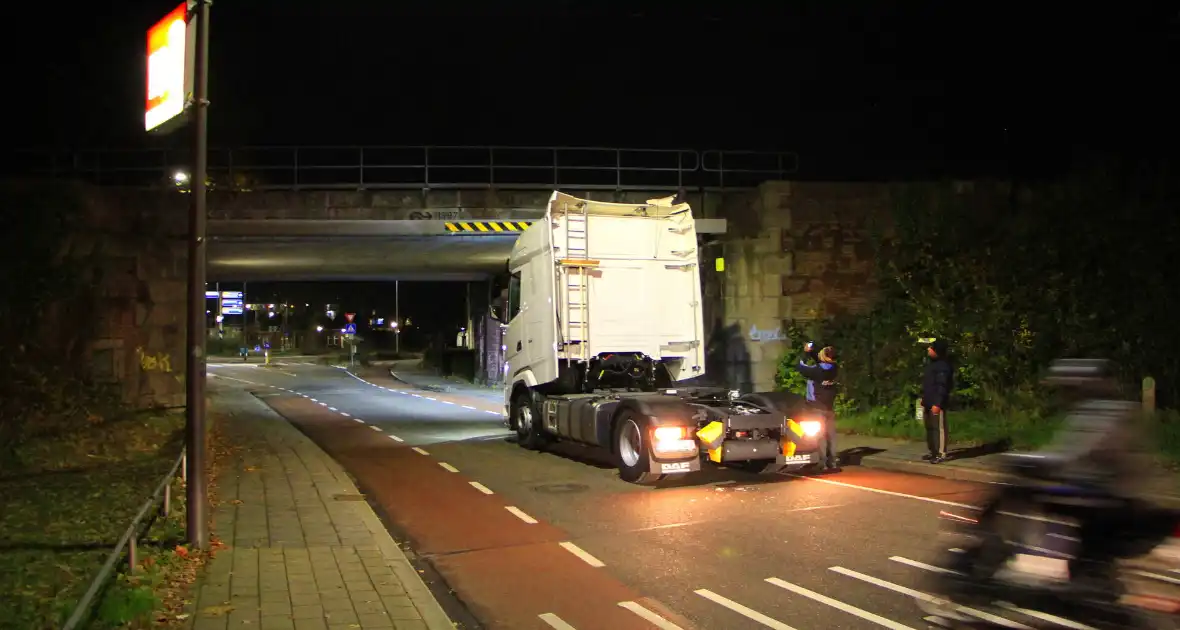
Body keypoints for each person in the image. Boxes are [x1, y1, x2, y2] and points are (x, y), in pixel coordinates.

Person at [795, 342, 840, 471]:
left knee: (820, 436)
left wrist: (805, 353)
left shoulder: (815, 371)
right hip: (829, 407)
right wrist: (812, 353)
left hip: (816, 407)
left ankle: (823, 463)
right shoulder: (834, 368)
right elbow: (821, 364)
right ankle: (833, 462)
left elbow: (800, 366)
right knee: (831, 435)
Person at [920, 338, 953, 464]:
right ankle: (932, 451)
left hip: (936, 402)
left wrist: (938, 403)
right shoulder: (931, 365)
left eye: (931, 348)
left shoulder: (943, 367)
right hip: (928, 400)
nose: (928, 349)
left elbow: (942, 386)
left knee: (939, 428)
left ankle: (941, 453)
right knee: (929, 427)